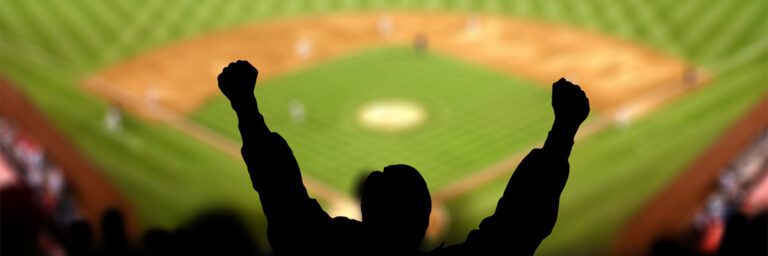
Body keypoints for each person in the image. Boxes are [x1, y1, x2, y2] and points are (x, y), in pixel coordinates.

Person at [217, 60, 590, 255]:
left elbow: (282, 197)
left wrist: (245, 106)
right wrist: (564, 130)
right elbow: (516, 231)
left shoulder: (317, 249)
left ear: (362, 213)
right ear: (426, 220)